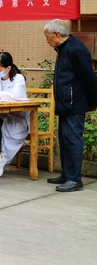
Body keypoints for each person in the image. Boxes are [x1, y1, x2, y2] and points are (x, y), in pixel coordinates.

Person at [43, 19, 97, 192]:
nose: (47, 40)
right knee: (65, 141)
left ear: (57, 35)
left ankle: (74, 179)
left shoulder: (75, 49)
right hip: (67, 103)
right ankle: (67, 174)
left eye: (48, 36)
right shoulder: (64, 48)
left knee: (73, 141)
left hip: (75, 104)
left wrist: (94, 102)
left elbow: (89, 77)